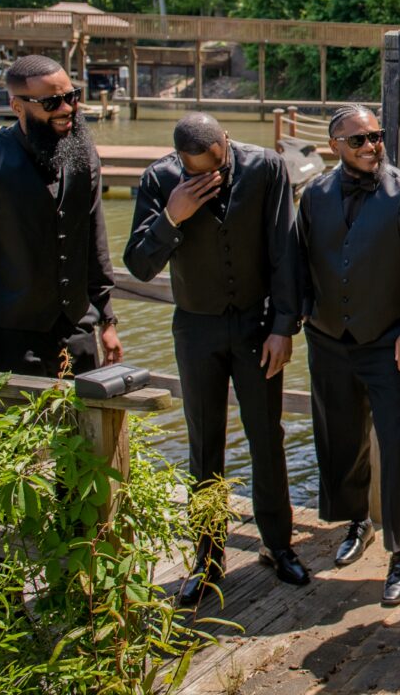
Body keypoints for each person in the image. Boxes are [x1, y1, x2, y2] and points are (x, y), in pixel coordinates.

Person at [124, 113, 308, 604]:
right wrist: (171, 217)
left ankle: (278, 545)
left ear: (226, 141)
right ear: (182, 160)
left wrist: (283, 326)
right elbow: (139, 265)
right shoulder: (159, 181)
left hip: (256, 326)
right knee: (204, 444)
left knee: (266, 436)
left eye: (221, 160)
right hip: (196, 328)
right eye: (202, 169)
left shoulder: (267, 167)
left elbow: (284, 251)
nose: (216, 172)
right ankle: (207, 559)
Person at [298, 106, 400, 607]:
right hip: (328, 343)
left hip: (393, 347)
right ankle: (357, 523)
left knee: (395, 441)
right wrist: (296, 318)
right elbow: (298, 265)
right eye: (359, 140)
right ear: (334, 146)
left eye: (377, 137)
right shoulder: (313, 196)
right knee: (341, 440)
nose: (371, 146)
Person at [0, 54, 123, 376]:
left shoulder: (83, 154)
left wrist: (107, 320)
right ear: (17, 106)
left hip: (77, 336)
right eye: (51, 102)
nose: (66, 109)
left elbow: (93, 242)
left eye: (71, 97)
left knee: (85, 427)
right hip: (7, 347)